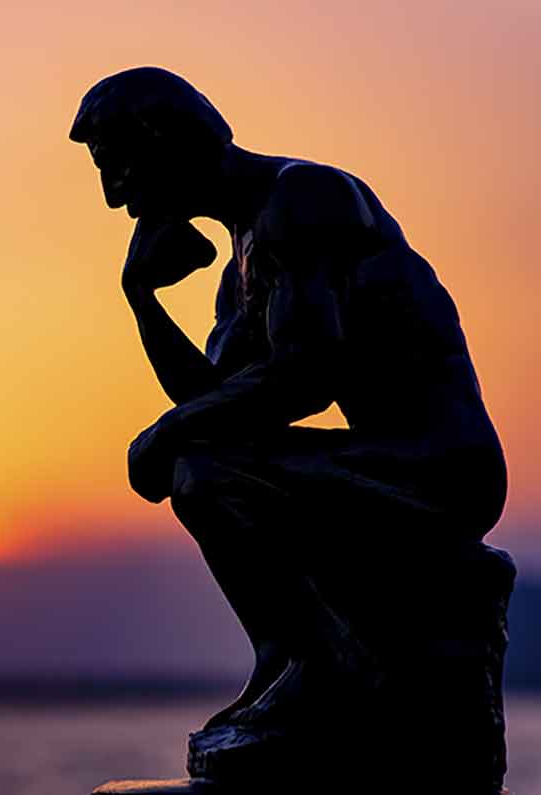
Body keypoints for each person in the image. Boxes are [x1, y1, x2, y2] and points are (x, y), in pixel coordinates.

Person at [68, 66, 508, 731]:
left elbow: (307, 375)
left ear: (165, 141)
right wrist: (143, 300)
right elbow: (219, 404)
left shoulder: (304, 200)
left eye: (117, 166)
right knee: (203, 463)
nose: (112, 196)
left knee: (204, 474)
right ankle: (287, 657)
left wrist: (168, 432)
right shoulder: (241, 258)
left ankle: (325, 663)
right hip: (378, 457)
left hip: (443, 468)